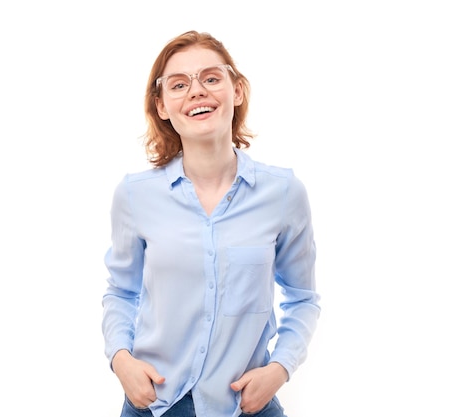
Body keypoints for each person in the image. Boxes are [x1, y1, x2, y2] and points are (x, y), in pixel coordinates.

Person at [101, 30, 320, 417]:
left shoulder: (284, 193)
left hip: (246, 405)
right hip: (154, 404)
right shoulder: (135, 196)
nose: (197, 91)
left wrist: (279, 369)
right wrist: (121, 361)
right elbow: (121, 291)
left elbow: (303, 299)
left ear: (236, 91)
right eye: (179, 84)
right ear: (163, 106)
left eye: (211, 78)